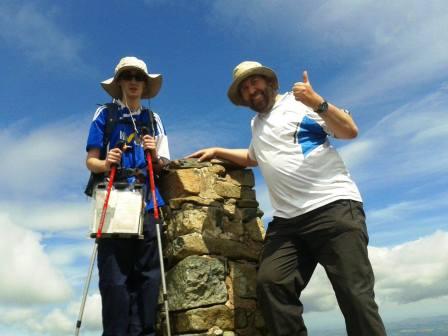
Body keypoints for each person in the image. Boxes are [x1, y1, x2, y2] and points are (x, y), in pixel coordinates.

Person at [188, 61, 386, 336]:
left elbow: (349, 131)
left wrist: (317, 102)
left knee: (354, 294)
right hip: (288, 222)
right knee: (271, 285)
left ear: (270, 83)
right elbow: (253, 157)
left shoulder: (299, 103)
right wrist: (218, 150)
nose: (250, 89)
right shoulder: (256, 123)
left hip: (333, 207)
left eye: (254, 81)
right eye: (244, 88)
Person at [85, 56, 170, 336]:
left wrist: (154, 154)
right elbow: (91, 162)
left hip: (148, 203)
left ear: (144, 84)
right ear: (120, 81)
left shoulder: (153, 119)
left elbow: (162, 164)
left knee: (148, 280)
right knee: (115, 281)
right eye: (128, 76)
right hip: (115, 200)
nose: (134, 81)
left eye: (138, 77)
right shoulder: (105, 115)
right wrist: (107, 162)